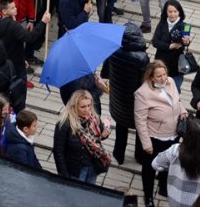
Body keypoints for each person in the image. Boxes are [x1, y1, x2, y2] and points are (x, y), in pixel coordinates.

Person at [135, 60, 188, 207]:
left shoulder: (171, 82)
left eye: (164, 74)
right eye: (159, 76)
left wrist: (182, 111)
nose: (163, 78)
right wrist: (146, 144)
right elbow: (140, 121)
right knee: (150, 169)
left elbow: (177, 100)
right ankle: (148, 197)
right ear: (151, 77)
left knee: (169, 163)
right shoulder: (142, 93)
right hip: (155, 138)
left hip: (173, 135)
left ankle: (163, 187)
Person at [101, 22, 150, 165]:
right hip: (136, 101)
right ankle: (139, 156)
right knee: (140, 127)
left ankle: (119, 154)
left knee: (121, 125)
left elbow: (105, 73)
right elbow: (146, 83)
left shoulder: (113, 50)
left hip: (118, 98)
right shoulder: (142, 57)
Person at [0, 0, 50, 110]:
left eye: (15, 7)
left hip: (5, 65)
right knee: (19, 97)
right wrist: (43, 22)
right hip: (17, 67)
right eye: (12, 8)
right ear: (4, 11)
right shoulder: (14, 26)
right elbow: (30, 37)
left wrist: (22, 58)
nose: (16, 9)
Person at [152, 117, 200, 207]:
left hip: (175, 200)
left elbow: (155, 164)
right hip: (199, 202)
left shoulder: (175, 150)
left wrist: (172, 167)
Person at [53, 89, 111, 184]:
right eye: (83, 107)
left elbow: (97, 139)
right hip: (75, 171)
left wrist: (105, 134)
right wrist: (64, 176)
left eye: (89, 105)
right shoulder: (64, 124)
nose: (87, 110)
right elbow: (58, 152)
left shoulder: (94, 119)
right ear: (74, 106)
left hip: (92, 167)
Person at [151, 0, 192, 92]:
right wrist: (170, 46)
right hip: (161, 62)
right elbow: (155, 42)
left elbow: (183, 44)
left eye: (175, 11)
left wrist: (186, 42)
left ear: (179, 12)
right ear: (166, 12)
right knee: (159, 89)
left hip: (176, 65)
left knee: (175, 89)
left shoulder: (184, 26)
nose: (172, 14)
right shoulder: (162, 23)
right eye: (170, 12)